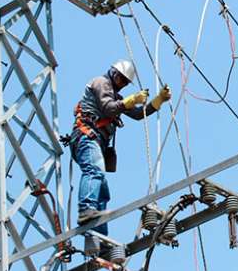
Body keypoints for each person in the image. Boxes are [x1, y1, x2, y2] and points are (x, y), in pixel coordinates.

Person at [70, 60, 171, 235]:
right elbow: (108, 109)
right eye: (120, 79)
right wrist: (132, 100)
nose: (121, 83)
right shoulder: (100, 83)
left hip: (95, 142)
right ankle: (86, 209)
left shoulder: (117, 98)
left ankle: (99, 237)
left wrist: (158, 100)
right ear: (113, 73)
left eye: (124, 82)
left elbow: (139, 114)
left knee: (102, 189)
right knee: (94, 172)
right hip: (86, 136)